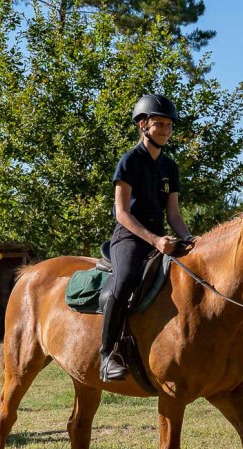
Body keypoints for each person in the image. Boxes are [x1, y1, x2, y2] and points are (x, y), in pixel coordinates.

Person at [100, 94, 193, 382]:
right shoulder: (129, 162)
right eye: (159, 124)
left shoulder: (170, 167)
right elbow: (122, 213)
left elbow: (174, 215)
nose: (166, 130)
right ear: (143, 125)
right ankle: (107, 355)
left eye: (169, 125)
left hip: (162, 237)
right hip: (129, 238)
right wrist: (154, 241)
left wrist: (190, 239)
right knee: (126, 278)